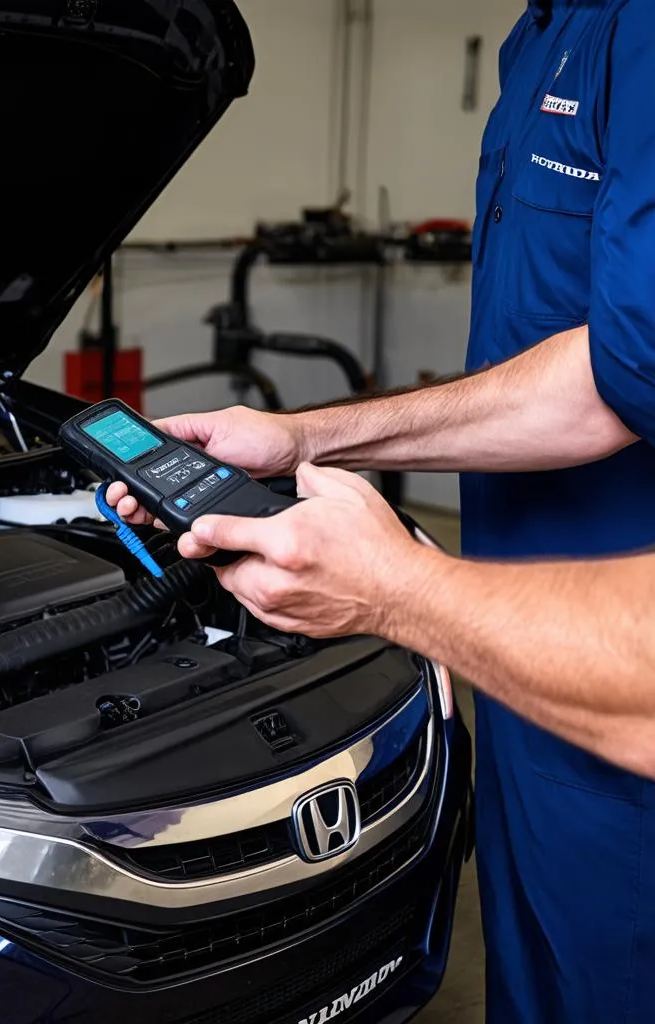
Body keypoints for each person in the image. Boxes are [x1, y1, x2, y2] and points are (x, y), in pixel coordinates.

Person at [108, 18, 655, 997]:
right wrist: (302, 437)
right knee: (534, 972)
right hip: (516, 658)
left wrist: (399, 590)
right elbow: (609, 371)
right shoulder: (542, 36)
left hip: (614, 667)